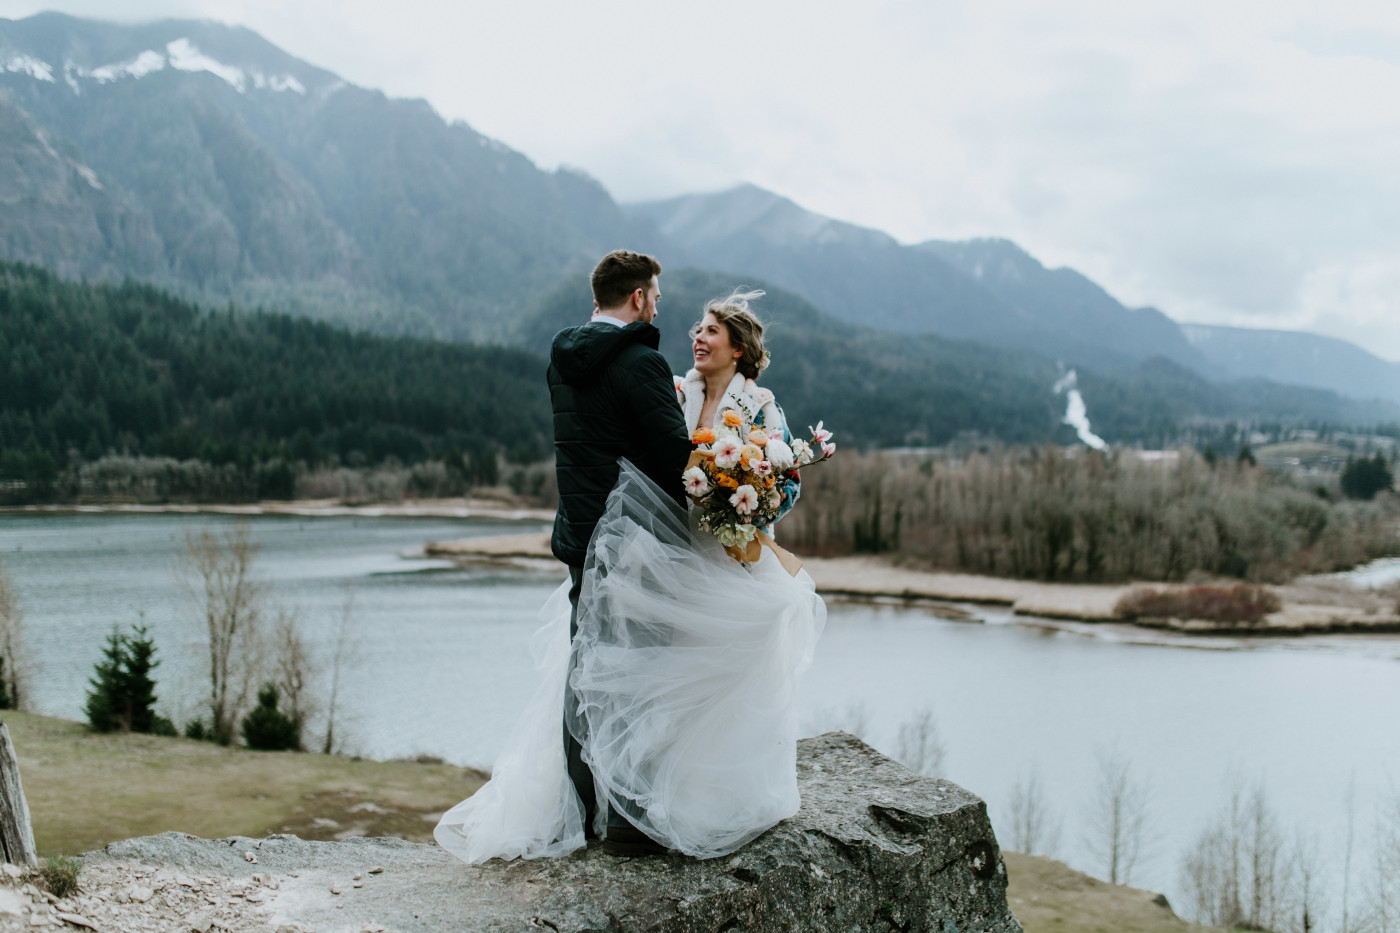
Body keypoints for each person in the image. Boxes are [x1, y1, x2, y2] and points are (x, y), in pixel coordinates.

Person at [434, 267, 825, 864]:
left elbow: (787, 484)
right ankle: (639, 806)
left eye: (711, 329)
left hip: (724, 555)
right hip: (669, 552)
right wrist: (710, 484)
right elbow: (659, 455)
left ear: (738, 348)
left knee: (719, 675)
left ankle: (703, 794)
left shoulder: (762, 407)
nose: (696, 334)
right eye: (694, 324)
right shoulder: (674, 389)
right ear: (639, 296)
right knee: (658, 677)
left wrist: (755, 493)